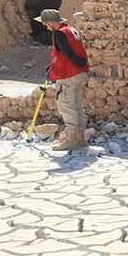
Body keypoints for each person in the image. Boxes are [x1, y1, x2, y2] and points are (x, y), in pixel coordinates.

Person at [34, 9, 90, 151]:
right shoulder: (70, 30)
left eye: (46, 23)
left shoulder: (59, 33)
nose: (46, 27)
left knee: (67, 106)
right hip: (78, 74)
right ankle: (80, 139)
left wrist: (76, 61)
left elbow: (67, 52)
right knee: (77, 106)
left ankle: (71, 140)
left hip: (68, 75)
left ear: (52, 22)